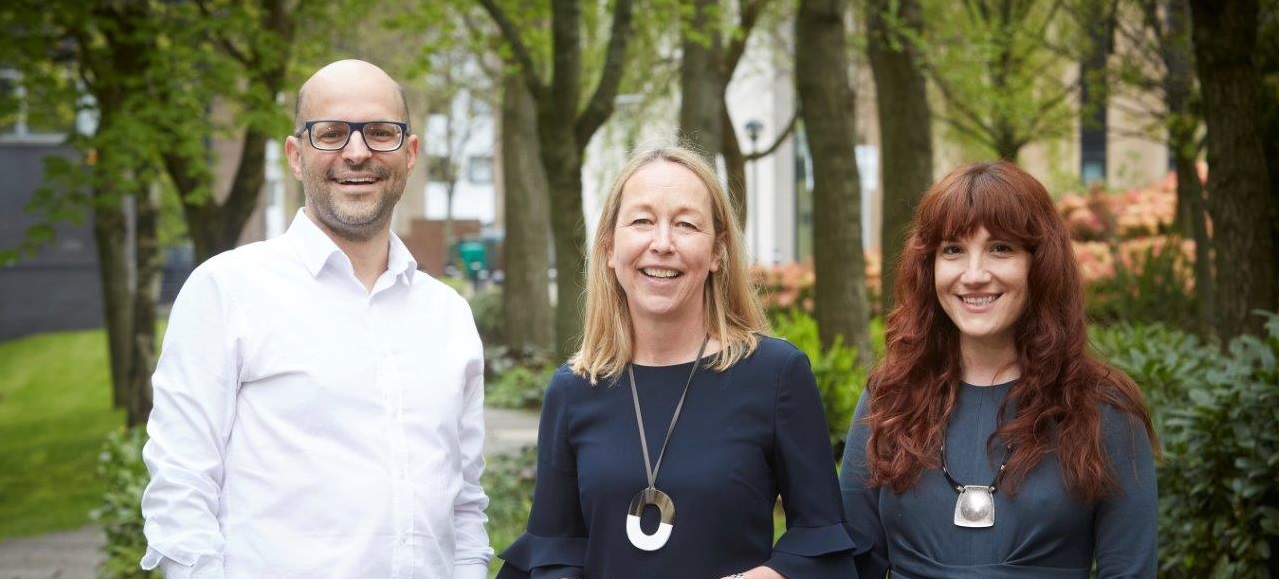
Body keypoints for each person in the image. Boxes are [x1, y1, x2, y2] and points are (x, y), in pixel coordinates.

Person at [139, 59, 492, 578]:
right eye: (330, 134)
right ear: (296, 155)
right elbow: (180, 488)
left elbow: (463, 504)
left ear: (410, 153)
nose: (356, 152)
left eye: (380, 132)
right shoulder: (226, 292)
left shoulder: (449, 318)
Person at [496, 145, 859, 579]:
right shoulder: (574, 390)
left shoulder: (776, 375)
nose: (662, 244)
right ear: (610, 248)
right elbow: (555, 553)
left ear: (718, 252)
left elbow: (821, 547)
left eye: (686, 224)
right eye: (642, 221)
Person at [839, 161, 1158, 578]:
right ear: (929, 266)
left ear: (1039, 264)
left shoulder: (1105, 410)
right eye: (953, 249)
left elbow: (1129, 571)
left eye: (1000, 249)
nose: (974, 275)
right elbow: (849, 564)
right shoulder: (889, 400)